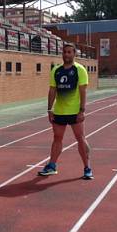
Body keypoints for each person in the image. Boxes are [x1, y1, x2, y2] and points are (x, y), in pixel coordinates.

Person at [38, 43, 93, 179]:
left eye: (69, 52)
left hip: (75, 112)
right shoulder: (56, 70)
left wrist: (82, 110)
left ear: (74, 54)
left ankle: (87, 167)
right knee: (57, 138)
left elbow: (83, 91)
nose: (66, 54)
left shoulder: (80, 70)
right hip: (59, 111)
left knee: (80, 138)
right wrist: (50, 109)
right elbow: (52, 91)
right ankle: (52, 166)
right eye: (64, 52)